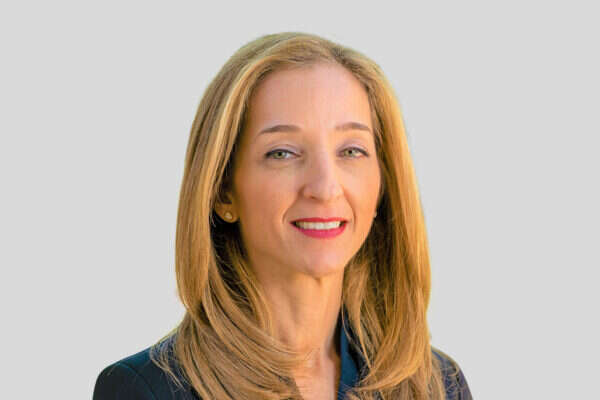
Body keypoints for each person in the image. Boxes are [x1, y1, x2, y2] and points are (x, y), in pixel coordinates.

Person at [93, 32, 472, 400]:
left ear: (383, 184)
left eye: (351, 151)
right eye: (282, 153)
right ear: (223, 189)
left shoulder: (438, 385)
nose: (325, 187)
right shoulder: (146, 390)